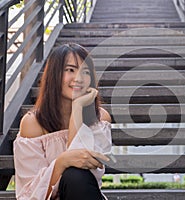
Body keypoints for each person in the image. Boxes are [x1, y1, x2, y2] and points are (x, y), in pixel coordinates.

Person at [13, 43, 112, 200]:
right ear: (54, 74)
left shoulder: (100, 118)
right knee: (73, 173)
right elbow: (28, 193)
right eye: (70, 70)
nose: (78, 78)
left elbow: (89, 169)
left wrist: (78, 109)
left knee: (76, 175)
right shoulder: (32, 123)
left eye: (85, 72)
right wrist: (61, 162)